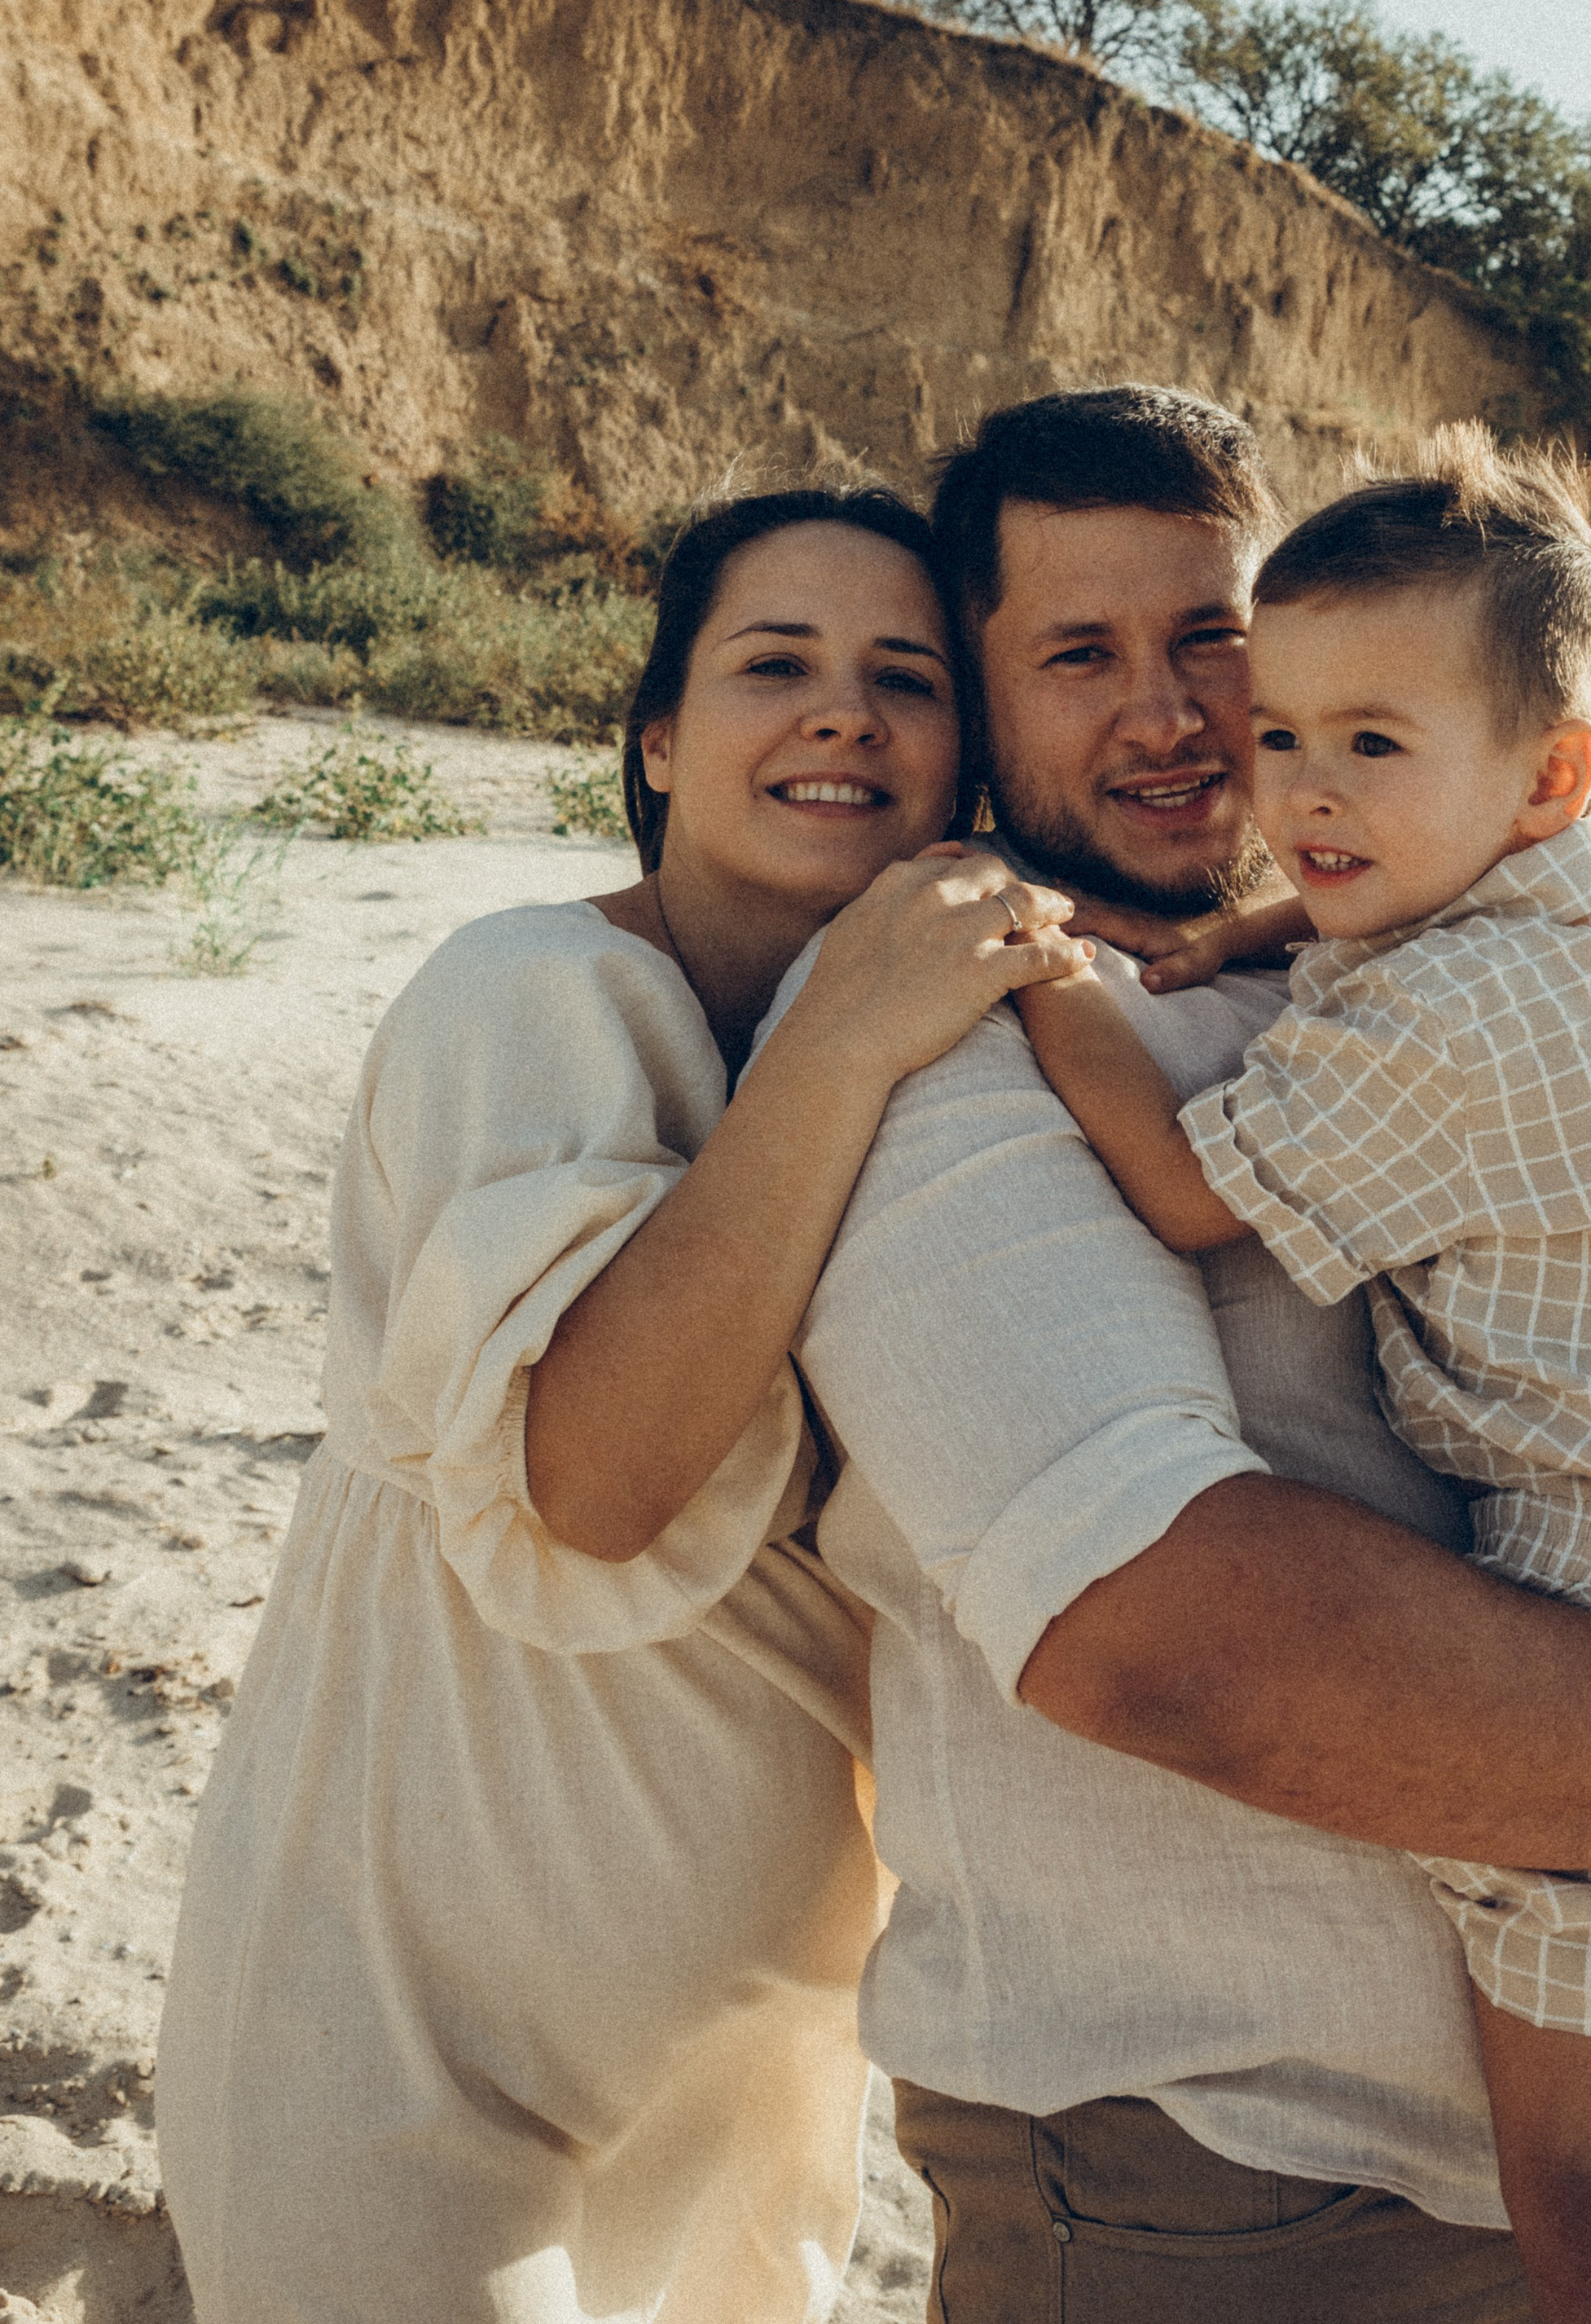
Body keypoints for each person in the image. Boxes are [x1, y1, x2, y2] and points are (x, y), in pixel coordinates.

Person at [782, 384, 1591, 2324]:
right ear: (969, 697)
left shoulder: (1404, 960)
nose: (1178, 716)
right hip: (1217, 2180)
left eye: (1218, 645)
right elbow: (1176, 1643)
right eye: (1073, 655)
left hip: (1566, 2135)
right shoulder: (953, 1032)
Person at [156, 485, 1088, 2324]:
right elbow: (596, 1480)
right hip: (412, 2053)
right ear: (658, 739)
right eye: (774, 665)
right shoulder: (529, 994)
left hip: (748, 2080)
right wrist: (840, 1038)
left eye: (904, 677)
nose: (843, 713)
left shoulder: (938, 1066)